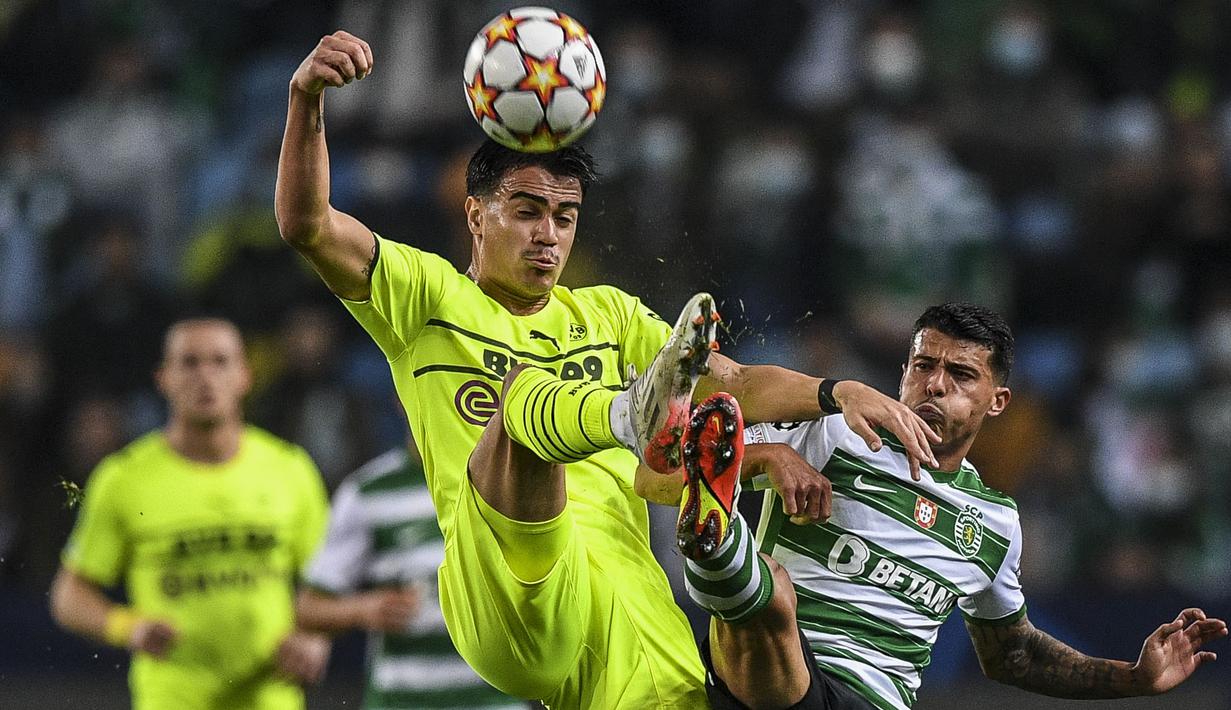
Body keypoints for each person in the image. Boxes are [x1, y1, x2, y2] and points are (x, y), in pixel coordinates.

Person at [275, 30, 940, 709]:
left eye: (564, 218)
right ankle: (627, 414)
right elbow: (307, 224)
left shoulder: (608, 315)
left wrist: (838, 391)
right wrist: (307, 100)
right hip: (506, 583)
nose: (548, 236)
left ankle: (646, 423)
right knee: (521, 403)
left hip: (620, 591)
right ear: (476, 215)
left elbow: (735, 384)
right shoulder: (427, 296)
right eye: (527, 212)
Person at [665, 303, 1228, 710]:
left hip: (872, 698)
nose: (935, 386)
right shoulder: (833, 430)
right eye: (922, 366)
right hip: (762, 677)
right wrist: (765, 454)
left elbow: (1013, 656)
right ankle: (714, 533)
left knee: (768, 597)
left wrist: (1132, 678)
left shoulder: (996, 523)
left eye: (960, 375)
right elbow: (663, 459)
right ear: (903, 372)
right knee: (775, 603)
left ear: (997, 401)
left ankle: (717, 547)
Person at [50, 317, 332, 710]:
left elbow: (329, 585)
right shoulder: (124, 478)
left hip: (270, 696)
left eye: (220, 362)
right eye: (189, 363)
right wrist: (127, 627)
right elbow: (69, 596)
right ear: (163, 378)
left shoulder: (290, 470)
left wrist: (315, 638)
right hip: (170, 699)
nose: (206, 377)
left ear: (244, 376)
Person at [296, 440, 525, 709]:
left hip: (495, 701)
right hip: (401, 700)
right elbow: (308, 608)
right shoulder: (369, 491)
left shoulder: (507, 477)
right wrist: (364, 609)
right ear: (401, 400)